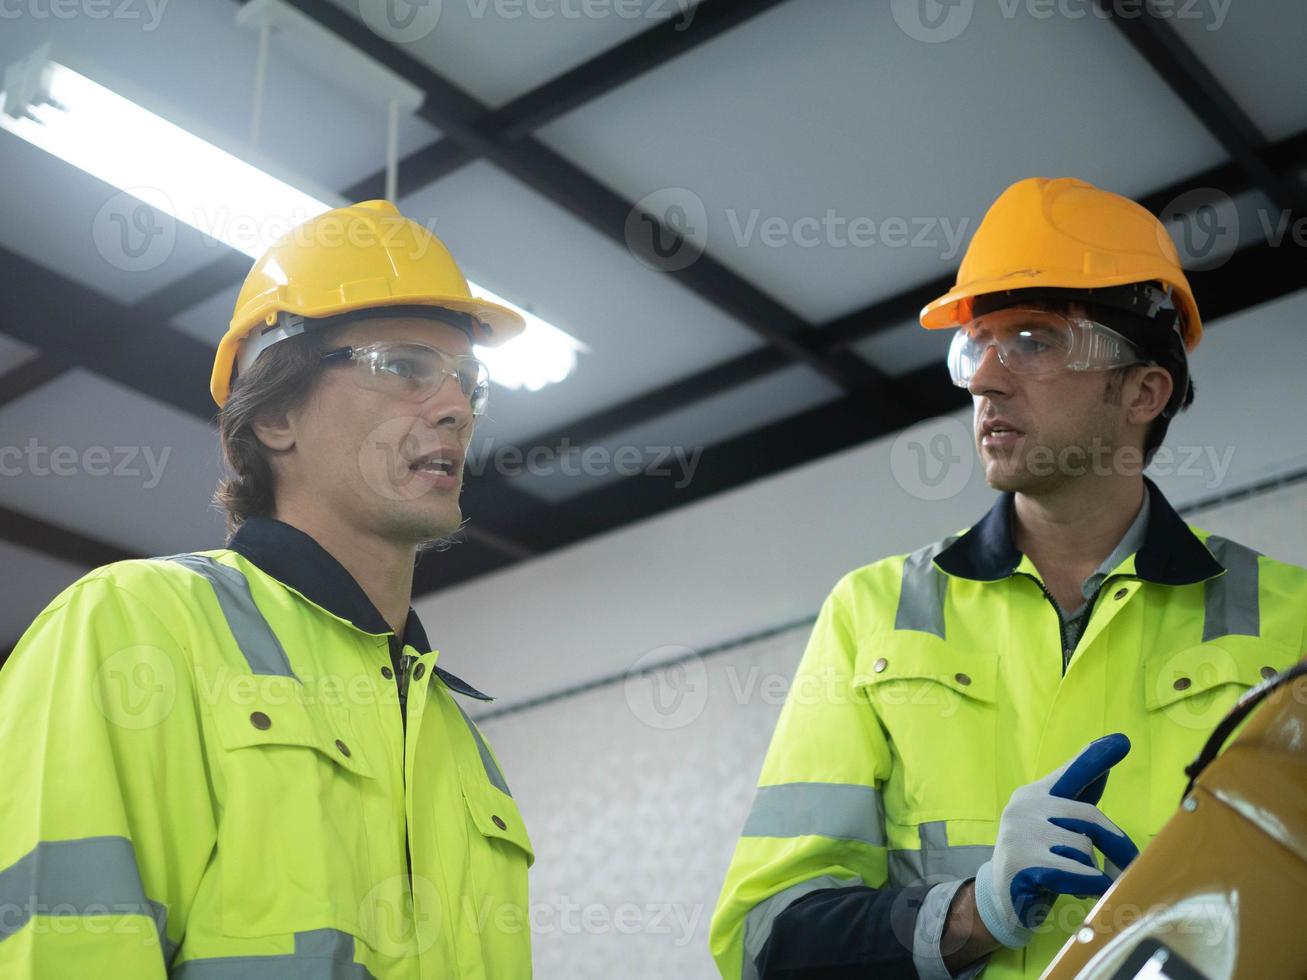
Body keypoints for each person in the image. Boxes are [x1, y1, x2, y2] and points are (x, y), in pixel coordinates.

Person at [708, 176, 1307, 979]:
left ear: (1142, 389)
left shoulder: (1292, 617)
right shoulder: (874, 611)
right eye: (975, 345)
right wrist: (974, 911)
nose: (984, 379)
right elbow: (767, 941)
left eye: (1031, 339)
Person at [0, 200, 535, 978]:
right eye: (404, 367)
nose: (455, 408)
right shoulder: (137, 625)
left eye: (467, 384)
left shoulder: (456, 740)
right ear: (277, 414)